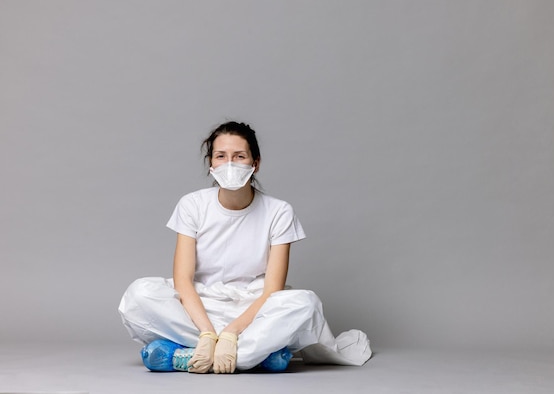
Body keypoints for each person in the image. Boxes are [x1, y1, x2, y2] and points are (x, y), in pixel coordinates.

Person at [118, 121, 371, 374]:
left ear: (255, 163)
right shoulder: (192, 205)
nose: (230, 164)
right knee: (139, 294)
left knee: (306, 303)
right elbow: (183, 280)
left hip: (255, 308)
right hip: (200, 306)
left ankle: (187, 355)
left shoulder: (278, 211)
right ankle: (252, 355)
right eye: (221, 156)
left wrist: (230, 333)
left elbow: (273, 289)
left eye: (239, 156)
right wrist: (207, 332)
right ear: (211, 163)